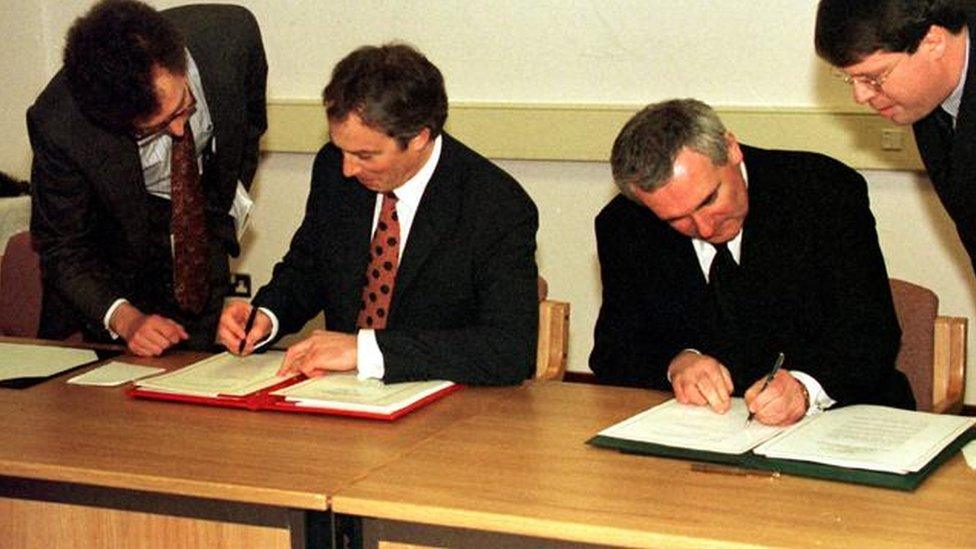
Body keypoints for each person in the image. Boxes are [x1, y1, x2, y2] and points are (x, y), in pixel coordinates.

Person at [218, 44, 539, 386]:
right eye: (341, 149)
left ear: (419, 137)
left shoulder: (495, 204)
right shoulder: (333, 167)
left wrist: (365, 351)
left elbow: (509, 350)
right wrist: (267, 316)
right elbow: (310, 267)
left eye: (365, 155)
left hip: (450, 411)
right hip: (338, 396)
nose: (347, 168)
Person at [589, 99, 915, 426]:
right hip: (708, 433)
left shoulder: (822, 191)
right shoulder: (624, 225)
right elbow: (613, 352)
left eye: (709, 200)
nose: (704, 228)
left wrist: (804, 388)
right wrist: (678, 363)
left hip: (844, 419)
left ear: (731, 149)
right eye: (676, 219)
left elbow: (872, 334)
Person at [28, 0, 267, 356]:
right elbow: (63, 246)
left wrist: (212, 217)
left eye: (184, 106)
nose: (178, 129)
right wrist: (126, 319)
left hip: (198, 231)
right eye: (154, 128)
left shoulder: (231, 37)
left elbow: (248, 131)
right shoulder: (62, 122)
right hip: (113, 265)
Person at [814, 1, 976, 275]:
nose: (861, 96)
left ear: (933, 41)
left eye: (874, 78)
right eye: (850, 80)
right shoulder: (925, 96)